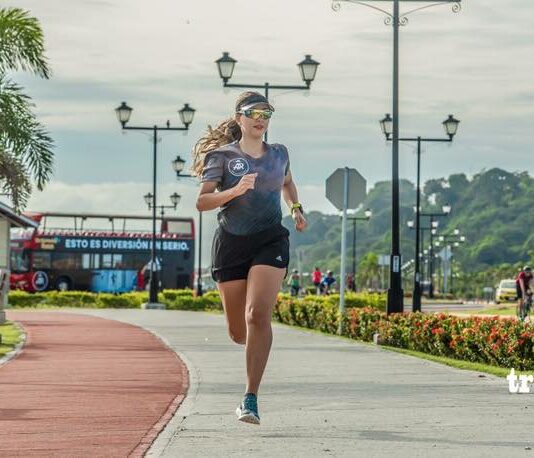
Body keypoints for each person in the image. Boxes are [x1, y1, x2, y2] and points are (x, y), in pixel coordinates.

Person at [193, 91, 307, 425]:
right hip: (231, 243)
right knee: (238, 332)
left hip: (270, 239)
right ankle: (254, 343)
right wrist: (235, 190)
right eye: (253, 113)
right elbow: (202, 202)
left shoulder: (279, 154)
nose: (260, 119)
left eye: (266, 113)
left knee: (257, 315)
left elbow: (287, 183)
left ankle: (250, 397)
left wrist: (296, 209)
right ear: (239, 118)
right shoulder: (222, 156)